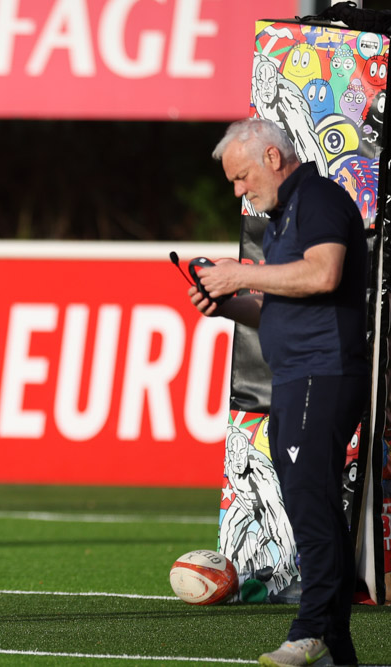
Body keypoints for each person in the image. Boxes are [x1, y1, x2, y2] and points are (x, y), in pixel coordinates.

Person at [189, 118, 368, 667]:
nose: (239, 191)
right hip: (297, 374)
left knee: (311, 501)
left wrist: (241, 275)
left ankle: (311, 628)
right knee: (312, 503)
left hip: (323, 371)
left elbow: (324, 274)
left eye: (241, 177)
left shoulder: (316, 197)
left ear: (272, 157)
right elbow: (279, 302)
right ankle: (337, 645)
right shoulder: (283, 216)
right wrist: (227, 304)